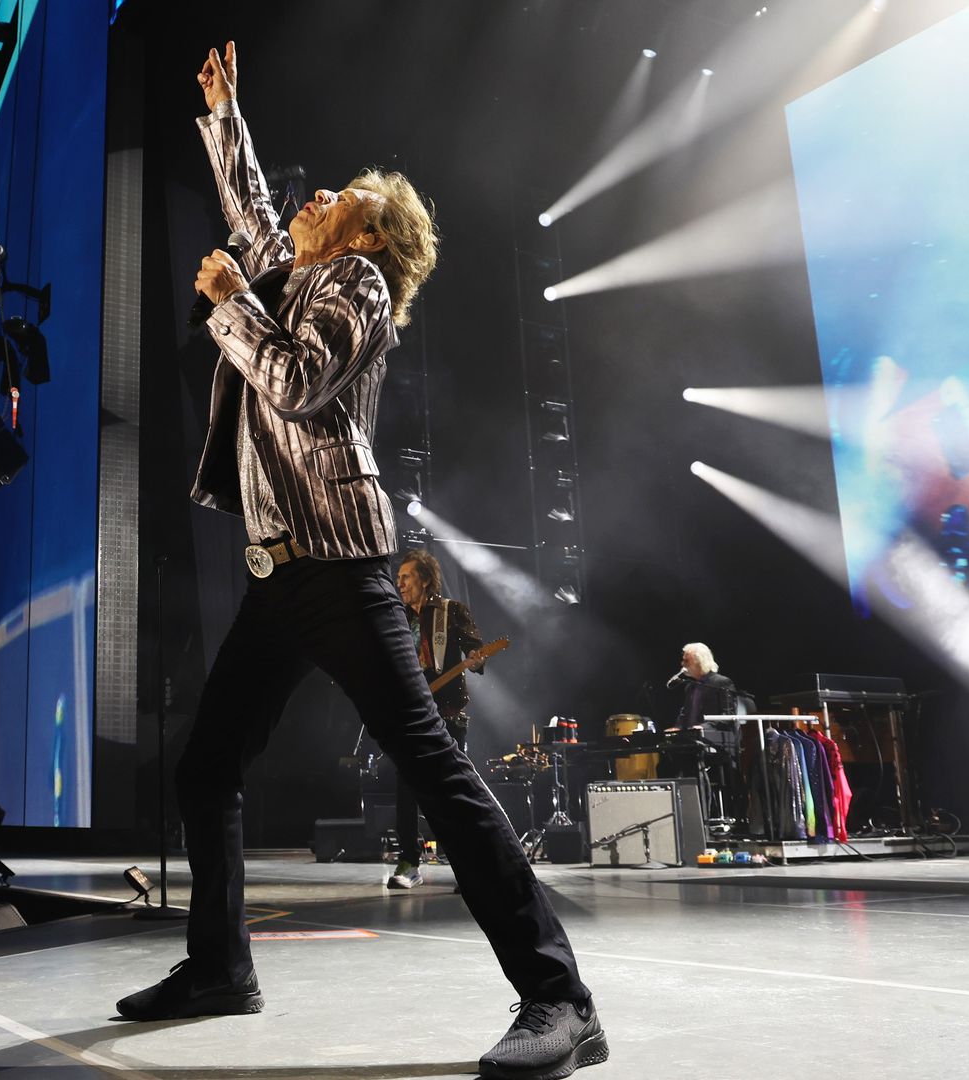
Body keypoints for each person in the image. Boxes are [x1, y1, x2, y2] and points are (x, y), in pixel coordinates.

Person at [115, 41, 608, 1079]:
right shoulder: (300, 265)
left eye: (340, 194)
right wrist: (225, 112)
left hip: (337, 566)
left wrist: (227, 303)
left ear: (371, 231)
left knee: (432, 769)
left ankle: (561, 998)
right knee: (208, 768)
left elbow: (294, 383)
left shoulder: (360, 288)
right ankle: (220, 969)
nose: (316, 196)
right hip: (276, 572)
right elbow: (254, 214)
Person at [388, 548, 487, 890]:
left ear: (426, 579)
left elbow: (476, 650)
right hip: (411, 715)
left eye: (406, 577)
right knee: (406, 790)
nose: (399, 582)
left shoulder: (451, 611)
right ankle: (408, 861)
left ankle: (467, 864)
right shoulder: (396, 617)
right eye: (398, 577)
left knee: (451, 792)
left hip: (446, 715)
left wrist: (475, 658)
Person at [669, 643, 735, 732]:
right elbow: (685, 713)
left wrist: (704, 727)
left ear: (700, 661)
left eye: (687, 660)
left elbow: (728, 715)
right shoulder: (690, 686)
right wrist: (678, 727)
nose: (682, 663)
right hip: (693, 737)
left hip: (716, 738)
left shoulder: (721, 682)